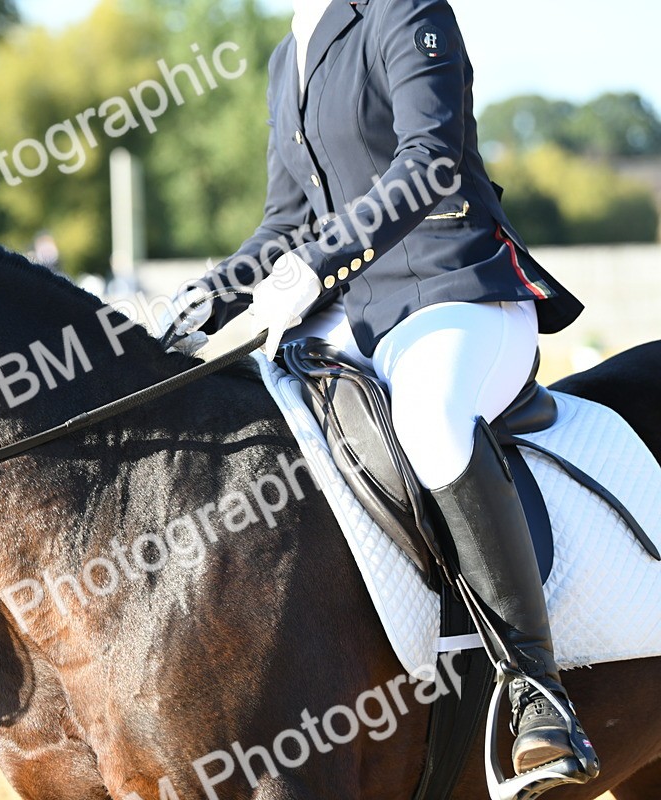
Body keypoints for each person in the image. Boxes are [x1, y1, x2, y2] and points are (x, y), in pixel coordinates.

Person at [162, 0, 593, 776]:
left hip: (456, 292)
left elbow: (430, 160)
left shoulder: (405, 9)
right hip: (350, 319)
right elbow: (284, 222)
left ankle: (537, 689)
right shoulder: (285, 54)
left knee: (429, 420)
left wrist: (318, 265)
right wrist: (201, 299)